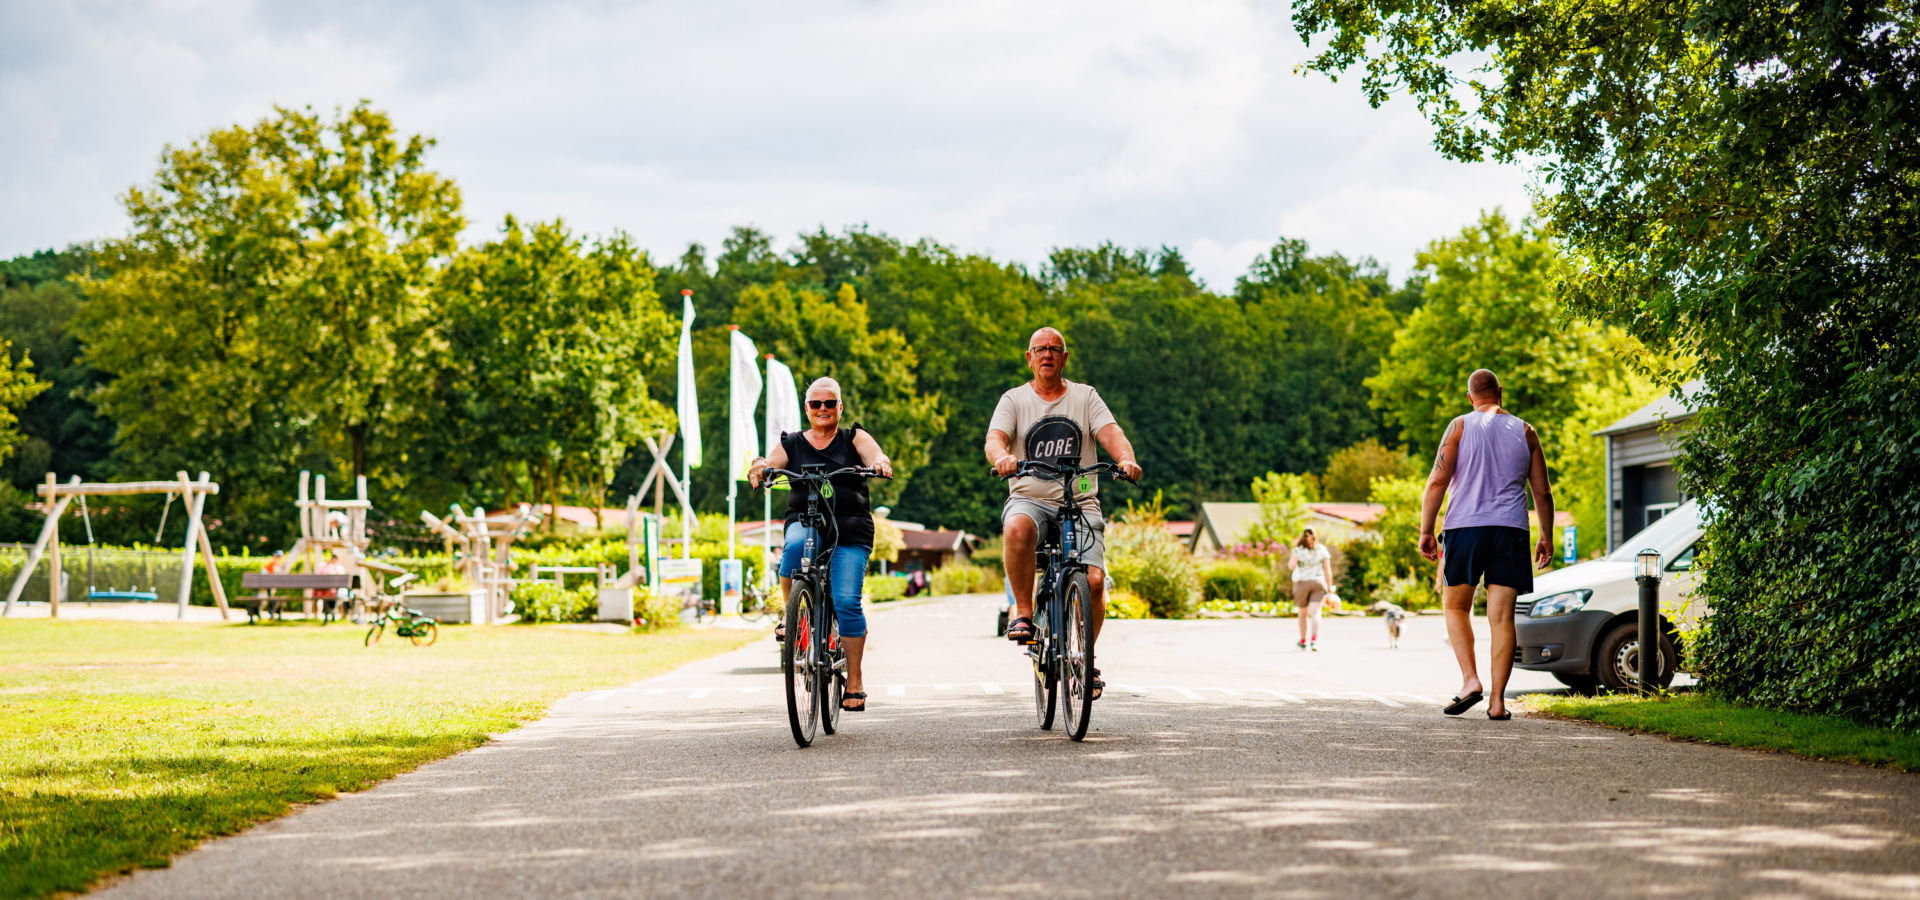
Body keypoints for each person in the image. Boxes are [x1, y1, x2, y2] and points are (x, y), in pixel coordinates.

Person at [985, 327, 1144, 702]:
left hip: (1081, 500)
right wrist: (1002, 457)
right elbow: (995, 439)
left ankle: (1085, 660)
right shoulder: (1014, 399)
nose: (1047, 355)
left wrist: (1125, 459)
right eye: (1040, 349)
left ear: (1065, 358)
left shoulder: (1085, 396)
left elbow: (1111, 432)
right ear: (1029, 358)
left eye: (1055, 349)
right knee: (1017, 527)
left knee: (1094, 582)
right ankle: (1024, 613)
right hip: (1030, 498)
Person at [748, 376, 894, 713]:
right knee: (794, 548)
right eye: (816, 404)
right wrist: (760, 467)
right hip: (806, 519)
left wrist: (880, 463)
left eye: (830, 403)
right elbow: (770, 462)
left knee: (846, 600)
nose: (823, 409)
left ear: (840, 407)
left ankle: (854, 680)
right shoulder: (792, 443)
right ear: (807, 409)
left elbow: (875, 453)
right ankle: (792, 615)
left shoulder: (853, 437)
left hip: (850, 527)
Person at [1419, 368, 1555, 720]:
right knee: (1502, 618)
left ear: (1470, 398)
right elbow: (1542, 491)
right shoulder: (1526, 430)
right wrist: (1546, 536)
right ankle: (1497, 702)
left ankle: (1470, 680)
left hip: (1465, 528)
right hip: (1511, 531)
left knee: (1455, 607)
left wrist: (1426, 529)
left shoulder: (1459, 426)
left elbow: (1437, 481)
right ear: (1500, 392)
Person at [1287, 527, 1334, 651]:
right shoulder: (1322, 549)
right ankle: (1314, 641)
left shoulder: (1298, 549)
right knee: (1316, 612)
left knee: (1303, 613)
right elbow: (1328, 571)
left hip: (1302, 583)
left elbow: (1291, 566)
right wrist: (1330, 587)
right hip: (1318, 582)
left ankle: (1303, 640)